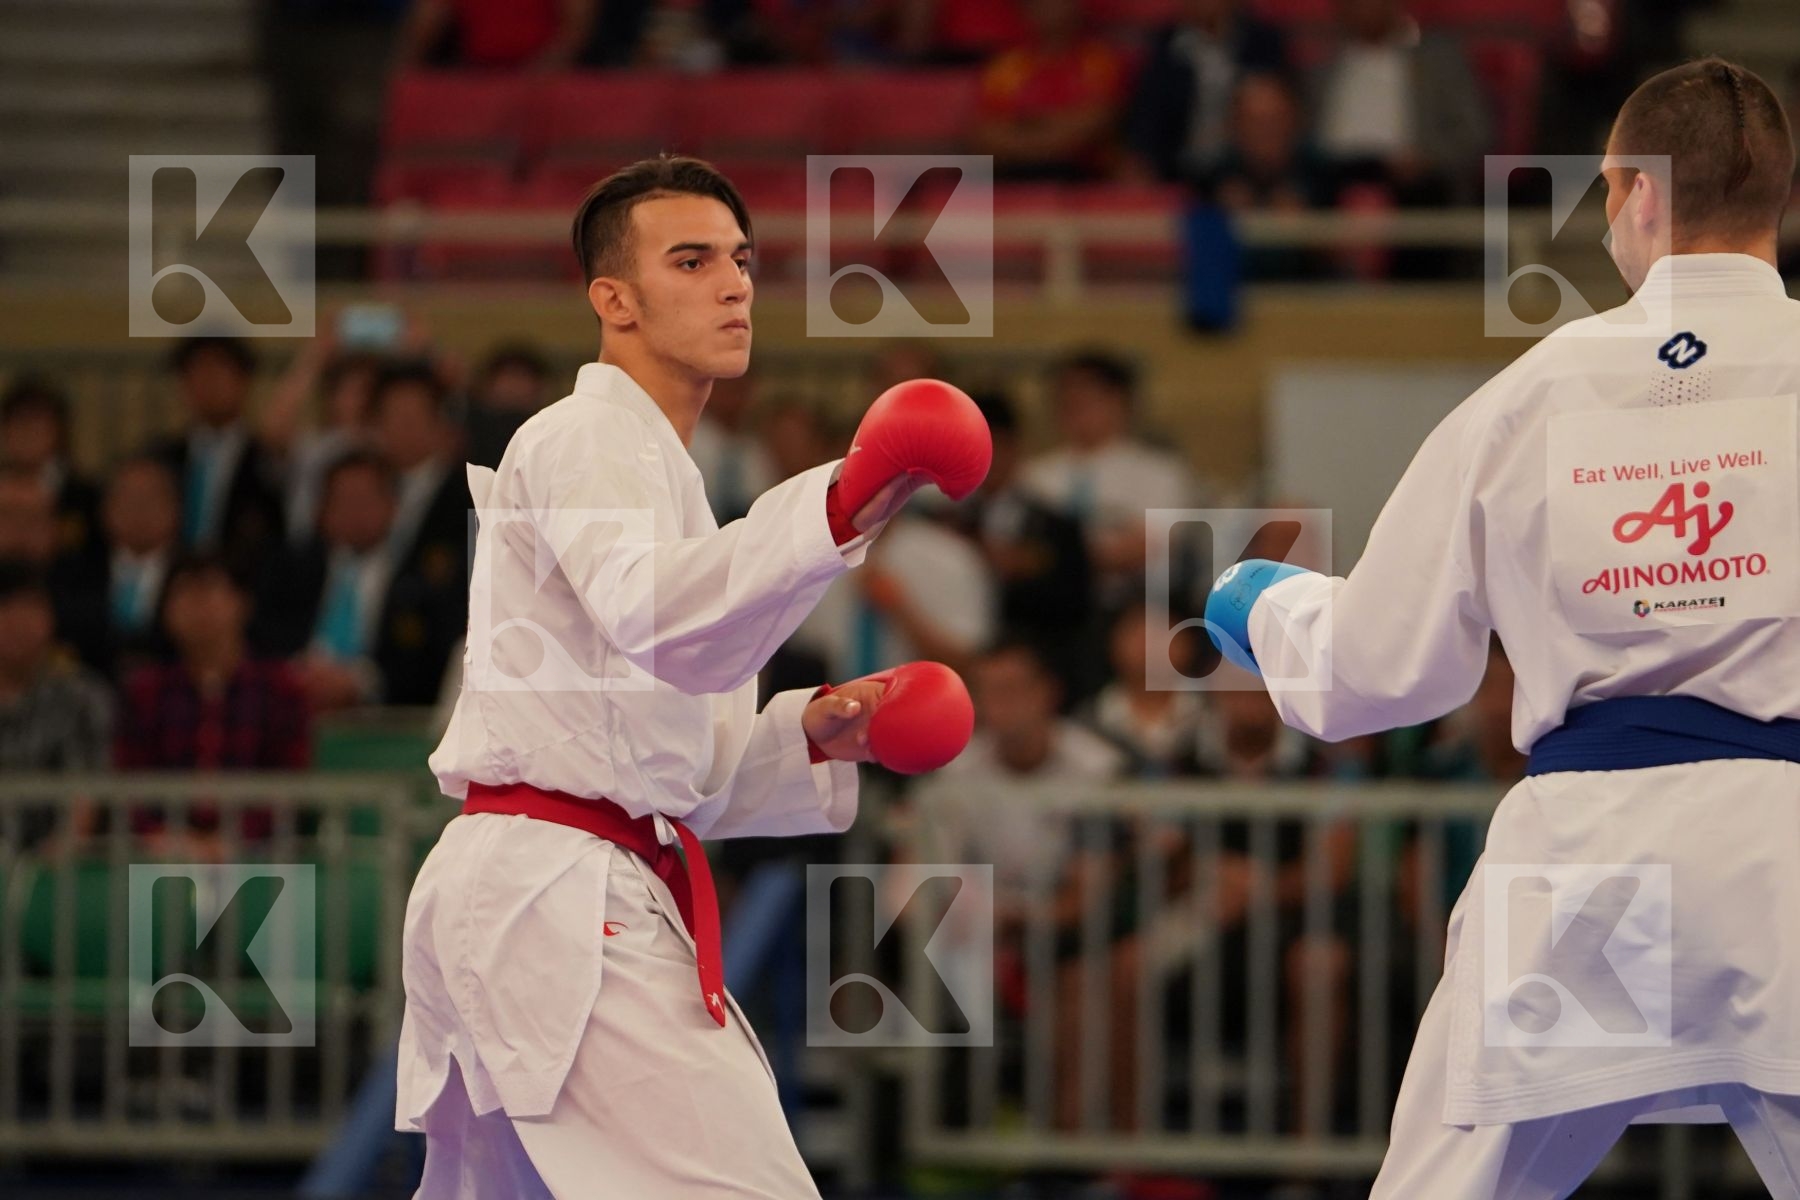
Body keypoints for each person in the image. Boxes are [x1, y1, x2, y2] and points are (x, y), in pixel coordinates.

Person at [1204, 59, 1800, 1196]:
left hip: (1583, 862)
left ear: (1632, 192)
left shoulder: (1535, 390)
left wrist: (1257, 601)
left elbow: (1372, 672)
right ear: (1777, 195)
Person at [398, 155, 989, 1197]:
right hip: (557, 891)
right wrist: (840, 503)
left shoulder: (666, 480)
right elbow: (656, 617)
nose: (734, 283)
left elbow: (680, 770)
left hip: (555, 877)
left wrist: (815, 732)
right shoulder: (585, 434)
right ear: (611, 300)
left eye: (742, 260)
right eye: (691, 259)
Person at [145, 337, 285, 577]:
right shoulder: (162, 457)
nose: (208, 383)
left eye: (219, 371)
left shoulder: (267, 458)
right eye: (196, 373)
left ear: (244, 380)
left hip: (246, 580)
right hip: (170, 581)